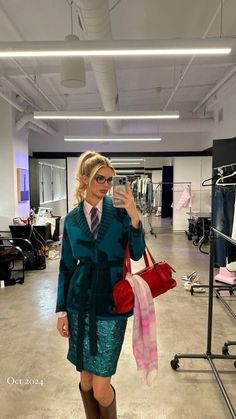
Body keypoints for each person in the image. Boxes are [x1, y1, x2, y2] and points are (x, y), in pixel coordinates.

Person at [56, 151, 145, 419]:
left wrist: (133, 213)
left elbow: (138, 253)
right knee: (85, 381)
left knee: (100, 389)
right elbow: (66, 267)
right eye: (100, 178)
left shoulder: (119, 215)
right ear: (85, 178)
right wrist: (61, 311)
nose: (106, 184)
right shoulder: (71, 220)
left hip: (111, 302)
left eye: (110, 179)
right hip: (79, 303)